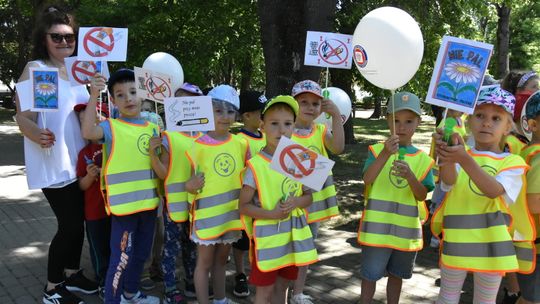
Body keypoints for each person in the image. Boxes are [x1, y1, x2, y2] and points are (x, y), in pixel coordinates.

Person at [14, 5, 98, 304]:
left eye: (69, 37)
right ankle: (52, 287)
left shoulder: (82, 70)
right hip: (53, 160)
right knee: (70, 225)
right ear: (44, 38)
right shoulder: (36, 69)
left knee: (81, 222)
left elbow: (92, 113)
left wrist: (97, 92)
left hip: (81, 160)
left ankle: (72, 274)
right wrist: (34, 133)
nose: (64, 43)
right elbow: (21, 116)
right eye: (57, 37)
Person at [432, 86, 535, 304]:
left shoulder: (513, 162)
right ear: (469, 121)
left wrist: (463, 158)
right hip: (457, 242)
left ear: (509, 127)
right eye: (479, 115)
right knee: (447, 298)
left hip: (493, 249)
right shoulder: (462, 153)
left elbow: (494, 190)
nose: (486, 122)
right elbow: (448, 182)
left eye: (496, 118)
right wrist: (448, 156)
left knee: (484, 301)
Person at [81, 69, 161, 304]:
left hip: (149, 206)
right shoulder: (111, 127)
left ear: (143, 95)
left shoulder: (153, 128)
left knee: (141, 255)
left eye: (133, 92)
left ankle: (131, 293)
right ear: (113, 100)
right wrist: (94, 95)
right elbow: (87, 131)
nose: (129, 98)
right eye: (121, 94)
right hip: (123, 209)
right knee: (121, 258)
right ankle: (113, 300)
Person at [239, 95, 318, 304]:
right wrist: (271, 214)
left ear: (293, 127)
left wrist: (297, 202)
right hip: (268, 241)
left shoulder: (301, 158)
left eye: (287, 124)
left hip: (292, 238)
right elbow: (243, 206)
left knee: (283, 287)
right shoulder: (255, 165)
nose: (281, 130)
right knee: (264, 291)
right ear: (263, 126)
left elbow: (309, 197)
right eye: (274, 124)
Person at [359, 92, 434, 304]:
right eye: (396, 121)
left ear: (418, 122)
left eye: (408, 121)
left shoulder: (423, 160)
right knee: (370, 274)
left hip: (404, 232)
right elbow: (367, 179)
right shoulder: (376, 151)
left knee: (397, 275)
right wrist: (384, 154)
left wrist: (411, 176)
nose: (401, 127)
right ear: (387, 121)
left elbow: (421, 195)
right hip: (377, 230)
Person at [186, 84, 248, 304]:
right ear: (207, 111)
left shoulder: (241, 143)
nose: (225, 117)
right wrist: (189, 186)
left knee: (222, 259)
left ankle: (220, 299)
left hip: (230, 215)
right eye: (218, 111)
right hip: (206, 217)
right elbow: (185, 180)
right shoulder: (196, 145)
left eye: (230, 111)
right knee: (204, 263)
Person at [289, 80, 344, 304]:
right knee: (289, 247)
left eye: (315, 103)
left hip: (312, 203)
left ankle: (297, 293)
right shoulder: (284, 130)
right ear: (293, 104)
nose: (310, 107)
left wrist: (336, 117)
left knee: (307, 248)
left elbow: (338, 148)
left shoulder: (321, 131)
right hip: (290, 201)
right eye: (304, 102)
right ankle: (283, 290)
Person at [148, 95, 203, 304]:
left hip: (196, 205)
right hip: (174, 205)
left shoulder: (203, 136)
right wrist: (153, 154)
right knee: (172, 248)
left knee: (191, 246)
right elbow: (163, 173)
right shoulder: (168, 137)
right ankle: (170, 287)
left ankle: (191, 281)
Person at [231, 90, 267, 299]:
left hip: (264, 201)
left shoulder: (267, 136)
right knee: (242, 240)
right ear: (247, 116)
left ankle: (259, 271)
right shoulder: (239, 140)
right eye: (260, 113)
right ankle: (240, 274)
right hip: (247, 201)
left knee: (260, 238)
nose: (264, 117)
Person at [74, 102, 110, 300]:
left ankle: (116, 279)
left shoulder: (115, 146)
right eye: (81, 122)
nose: (86, 124)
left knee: (116, 247)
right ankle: (103, 281)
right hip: (94, 212)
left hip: (116, 209)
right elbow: (80, 185)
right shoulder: (84, 154)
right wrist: (89, 177)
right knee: (98, 249)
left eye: (93, 117)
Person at [517, 91, 540, 304]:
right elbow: (534, 203)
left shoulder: (526, 152)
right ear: (532, 125)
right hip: (535, 245)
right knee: (532, 299)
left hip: (527, 240)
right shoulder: (539, 157)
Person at [500, 71, 539, 155]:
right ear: (517, 95)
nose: (538, 91)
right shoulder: (509, 142)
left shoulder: (533, 139)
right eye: (535, 86)